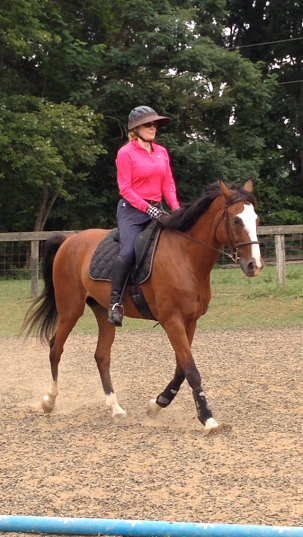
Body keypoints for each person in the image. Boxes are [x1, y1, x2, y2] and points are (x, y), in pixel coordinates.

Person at [108, 105, 180, 327]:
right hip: (131, 211)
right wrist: (148, 210)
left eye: (154, 124)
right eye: (148, 124)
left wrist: (176, 210)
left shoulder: (161, 152)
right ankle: (115, 304)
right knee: (129, 252)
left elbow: (167, 183)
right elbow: (125, 189)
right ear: (135, 128)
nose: (153, 127)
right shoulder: (125, 153)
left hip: (157, 209)